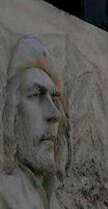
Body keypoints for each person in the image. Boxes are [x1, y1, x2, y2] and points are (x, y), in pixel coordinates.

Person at [0, 37, 70, 208]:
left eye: (54, 99)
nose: (55, 114)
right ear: (11, 114)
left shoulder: (55, 196)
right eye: (36, 95)